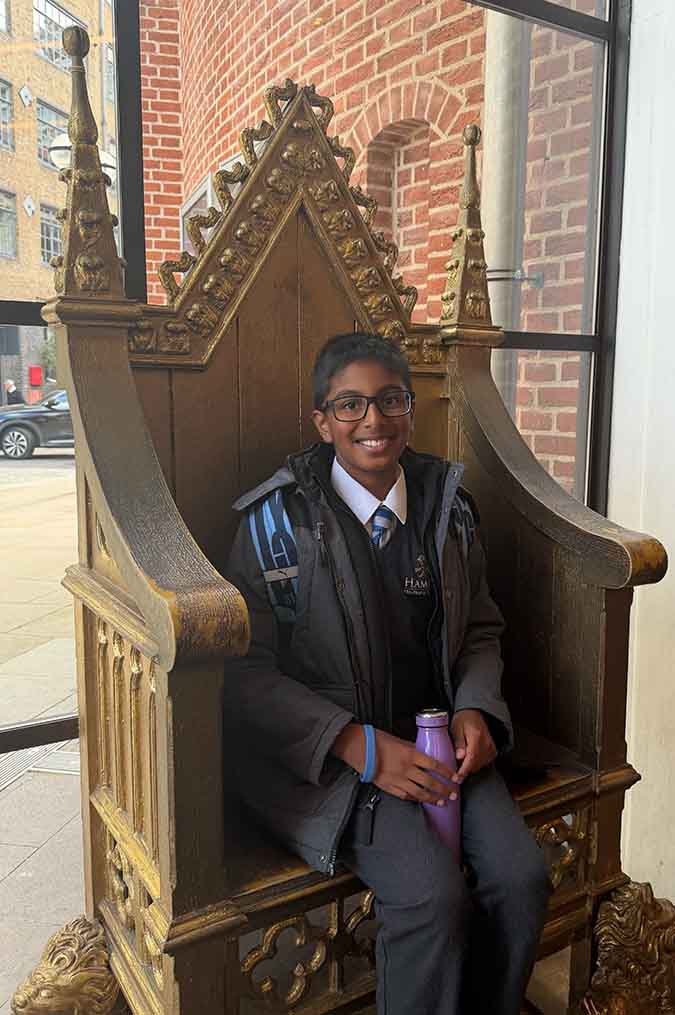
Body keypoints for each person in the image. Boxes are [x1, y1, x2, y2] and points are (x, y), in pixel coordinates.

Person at [224, 331, 550, 1015]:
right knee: (431, 898)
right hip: (336, 764)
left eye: (389, 400)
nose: (372, 419)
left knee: (520, 877)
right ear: (322, 421)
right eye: (349, 404)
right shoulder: (273, 525)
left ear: (410, 409)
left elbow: (480, 627)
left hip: (441, 748)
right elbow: (245, 675)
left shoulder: (449, 510)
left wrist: (475, 708)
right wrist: (358, 745)